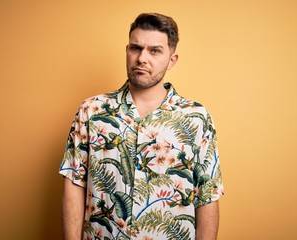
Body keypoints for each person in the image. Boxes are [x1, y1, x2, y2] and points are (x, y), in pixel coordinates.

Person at [59, 12, 224, 240]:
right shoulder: (92, 112)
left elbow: (207, 196)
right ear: (127, 51)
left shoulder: (196, 118)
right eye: (136, 48)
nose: (142, 58)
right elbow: (74, 183)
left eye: (155, 51)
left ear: (171, 60)